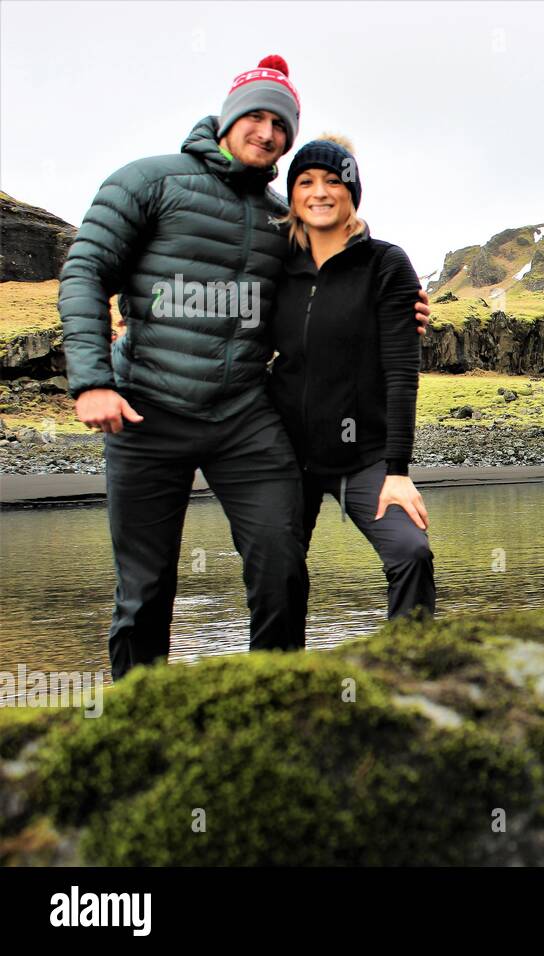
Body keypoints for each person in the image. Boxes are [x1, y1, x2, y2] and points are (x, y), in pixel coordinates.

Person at [58, 56, 429, 680]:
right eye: (255, 117)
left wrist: (400, 307)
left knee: (280, 563)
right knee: (145, 588)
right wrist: (92, 380)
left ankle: (274, 698)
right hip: (144, 412)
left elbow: (341, 268)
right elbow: (85, 271)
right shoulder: (147, 180)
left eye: (280, 124)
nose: (268, 133)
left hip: (243, 422)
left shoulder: (281, 216)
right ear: (229, 119)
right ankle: (135, 718)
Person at [268, 135, 436, 619]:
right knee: (275, 568)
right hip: (286, 454)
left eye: (333, 181)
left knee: (411, 552)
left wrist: (397, 471)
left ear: (352, 192)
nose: (319, 192)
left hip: (365, 458)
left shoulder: (386, 263)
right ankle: (281, 679)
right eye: (305, 182)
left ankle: (412, 669)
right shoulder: (276, 266)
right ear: (293, 196)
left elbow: (402, 372)